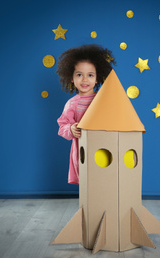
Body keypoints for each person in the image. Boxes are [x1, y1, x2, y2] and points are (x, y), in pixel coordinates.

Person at [57, 44, 116, 184]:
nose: (84, 80)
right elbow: (62, 126)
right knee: (87, 181)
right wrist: (71, 129)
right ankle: (89, 205)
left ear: (97, 78)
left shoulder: (103, 99)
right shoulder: (72, 104)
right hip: (82, 149)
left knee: (104, 178)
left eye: (90, 75)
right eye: (79, 75)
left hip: (103, 146)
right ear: (71, 78)